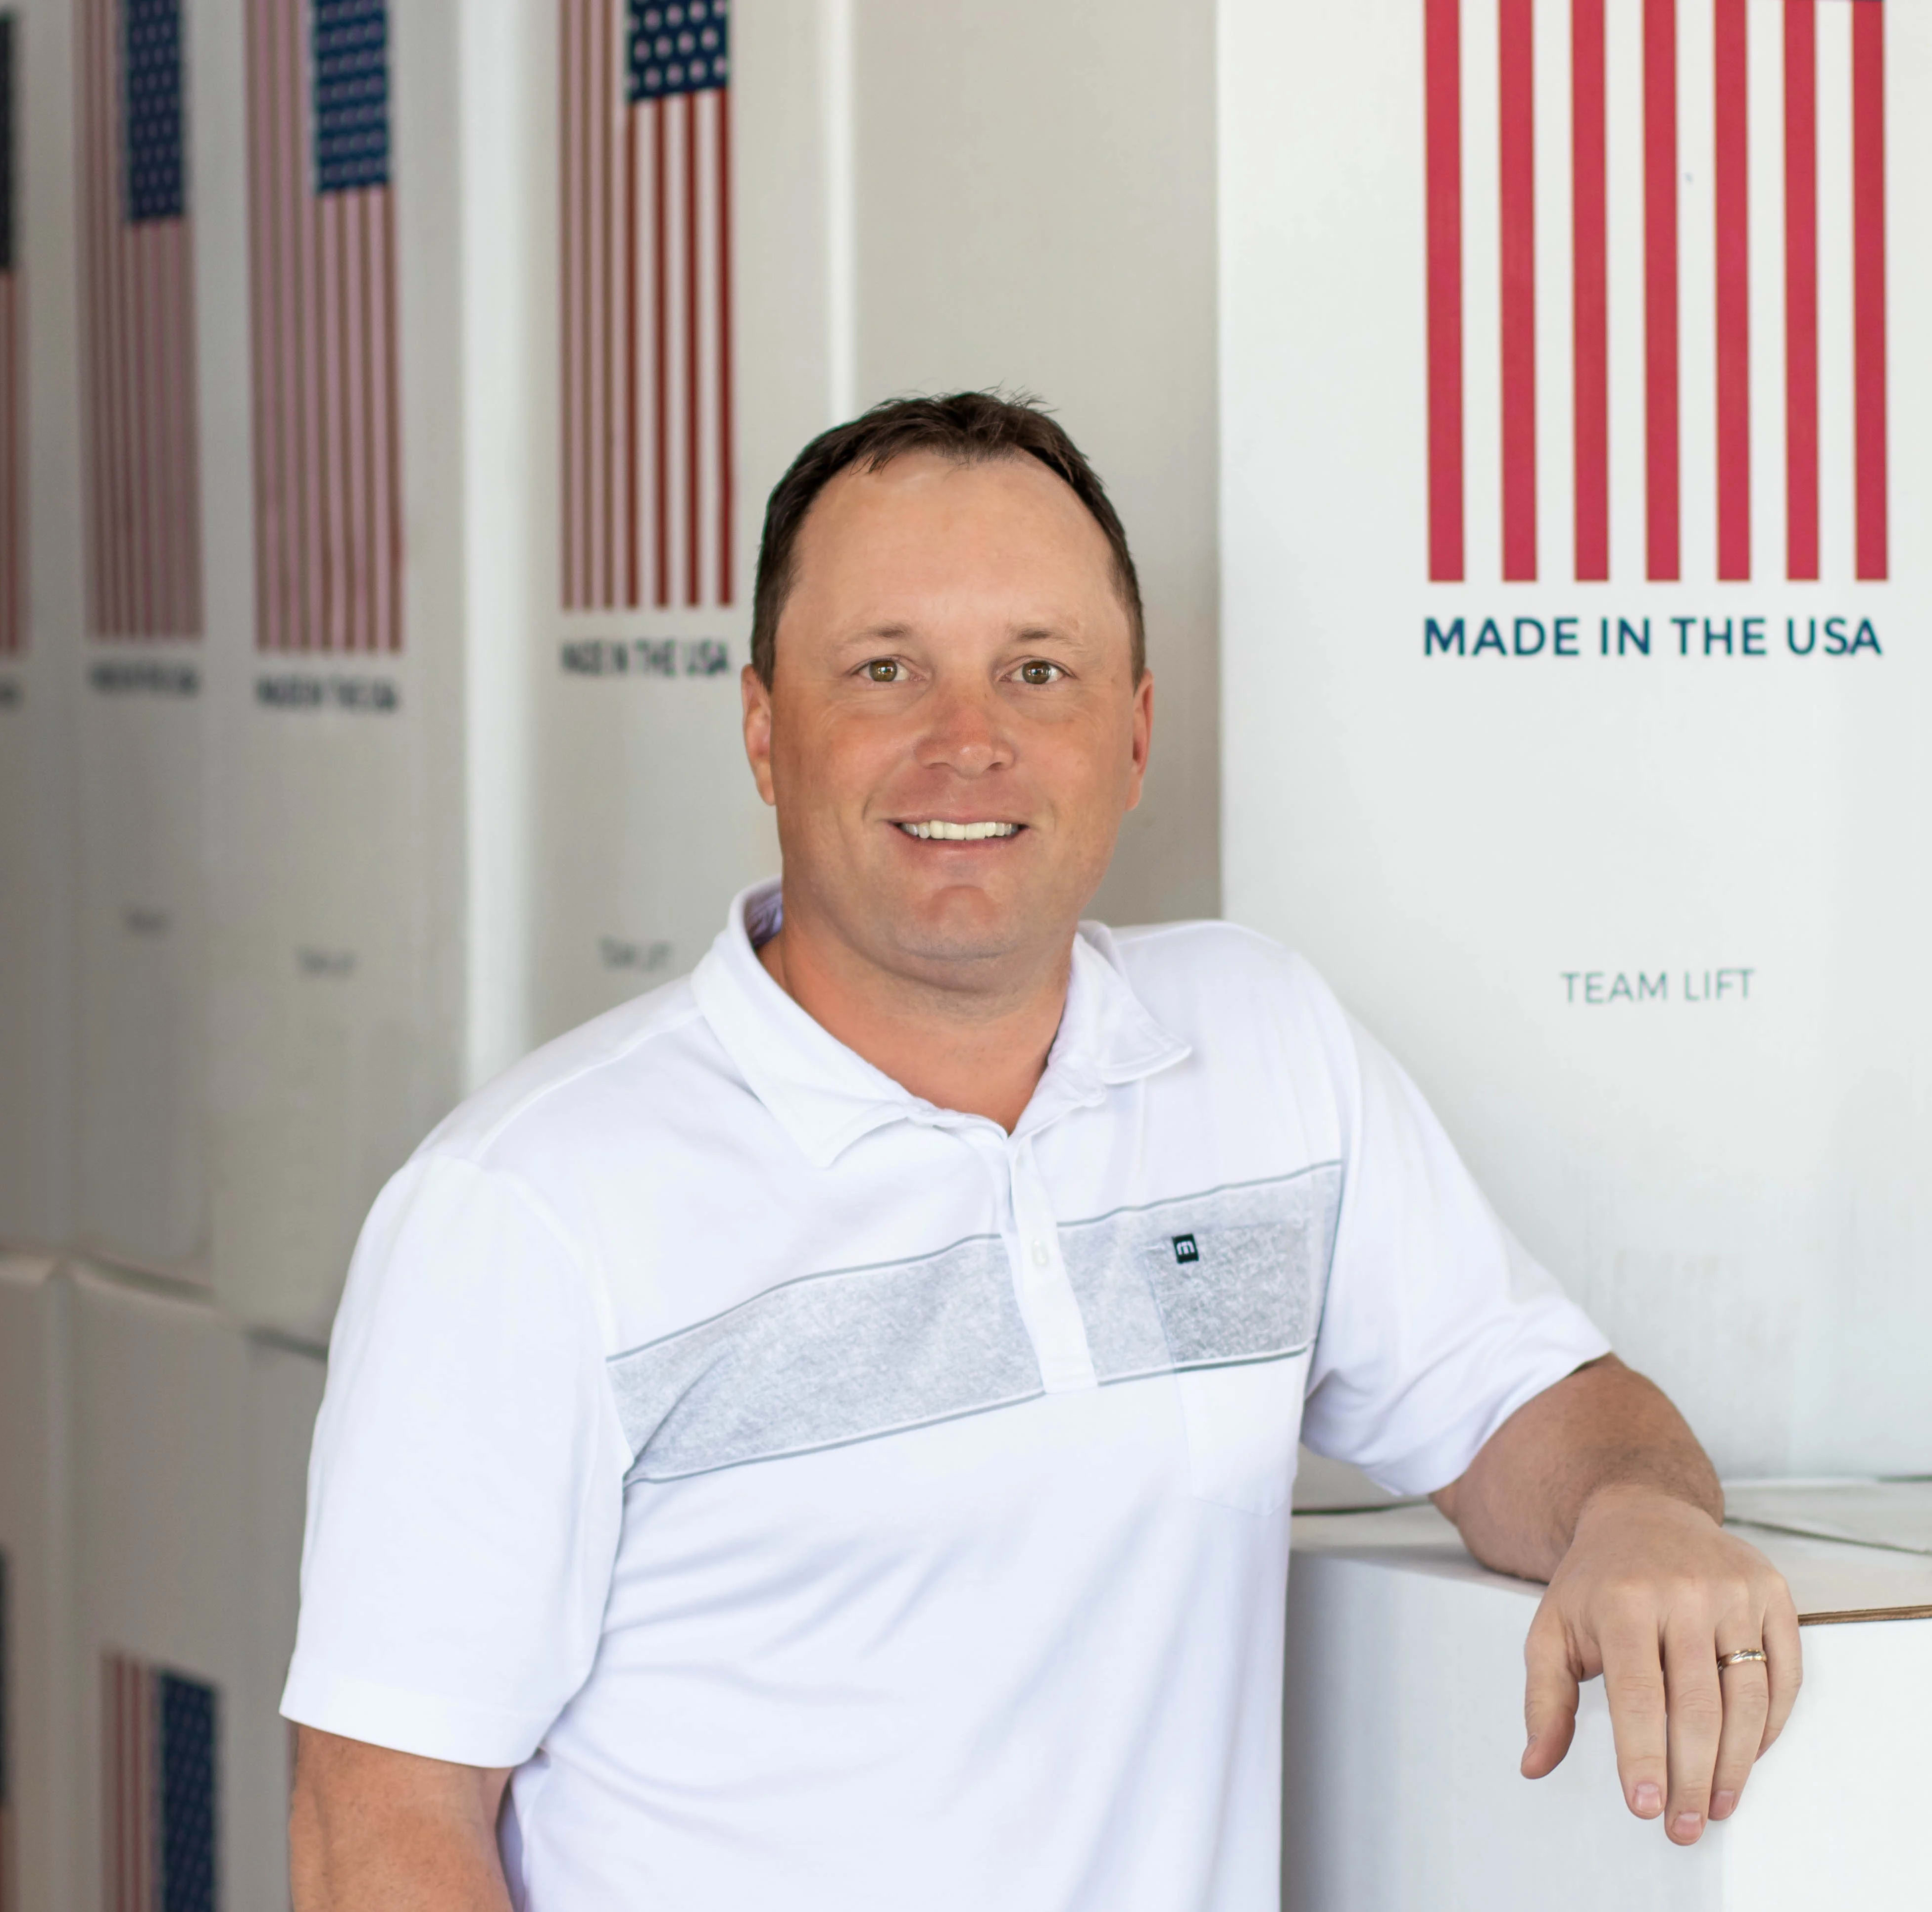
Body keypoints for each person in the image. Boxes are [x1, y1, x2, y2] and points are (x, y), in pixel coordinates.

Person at [283, 393, 1800, 1910]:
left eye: (1037, 671)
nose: (969, 742)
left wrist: (1639, 1516)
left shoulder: (1265, 1053)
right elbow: (382, 1822)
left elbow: (1529, 1405)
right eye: (885, 671)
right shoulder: (526, 1208)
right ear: (762, 727)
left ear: (1132, 735)